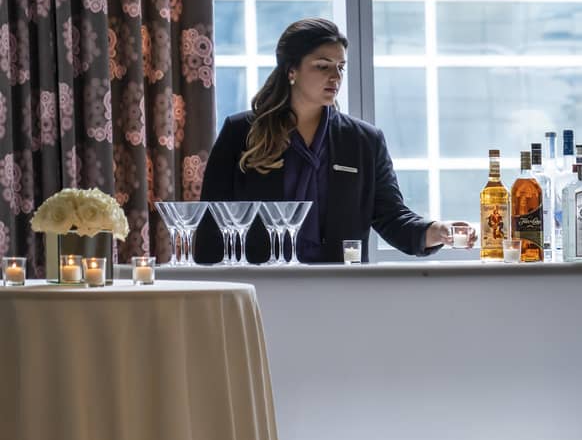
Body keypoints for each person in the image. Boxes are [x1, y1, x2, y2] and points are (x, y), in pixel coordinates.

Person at [195, 18, 473, 263]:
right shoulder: (241, 132)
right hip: (263, 285)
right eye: (322, 66)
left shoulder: (363, 140)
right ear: (291, 70)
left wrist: (437, 230)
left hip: (341, 287)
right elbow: (211, 220)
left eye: (340, 67)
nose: (335, 77)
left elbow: (392, 217)